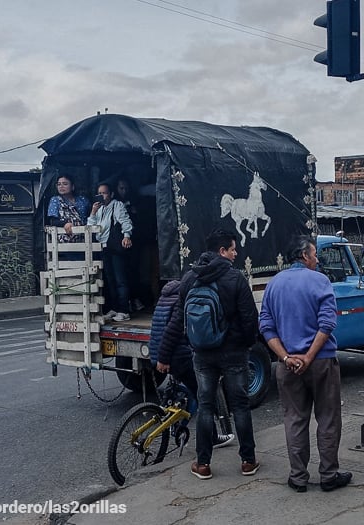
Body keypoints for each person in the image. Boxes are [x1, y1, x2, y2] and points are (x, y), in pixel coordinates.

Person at [160, 228, 259, 480]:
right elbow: (250, 321)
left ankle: (203, 464)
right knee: (240, 405)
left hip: (202, 354)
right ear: (222, 251)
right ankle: (248, 461)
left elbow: (177, 320)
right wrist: (245, 345)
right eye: (233, 249)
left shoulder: (190, 278)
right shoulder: (235, 279)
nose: (236, 253)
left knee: (205, 406)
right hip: (233, 353)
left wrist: (163, 354)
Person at [259, 235, 352, 493]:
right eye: (314, 255)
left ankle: (298, 477)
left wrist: (287, 357)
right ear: (304, 256)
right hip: (321, 362)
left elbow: (266, 326)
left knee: (294, 419)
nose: (317, 259)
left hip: (287, 365)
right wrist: (309, 357)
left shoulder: (274, 284)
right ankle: (328, 475)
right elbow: (327, 324)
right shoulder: (320, 281)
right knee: (328, 419)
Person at [151, 280, 234, 448]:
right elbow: (173, 331)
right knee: (203, 396)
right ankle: (211, 438)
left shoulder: (164, 297)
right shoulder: (180, 301)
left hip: (157, 352)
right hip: (175, 356)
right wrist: (164, 358)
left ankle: (176, 420)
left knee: (182, 389)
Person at [87, 182, 133, 322]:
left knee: (120, 280)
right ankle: (113, 308)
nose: (102, 196)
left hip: (115, 246)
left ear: (111, 194)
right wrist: (93, 212)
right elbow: (90, 227)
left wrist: (127, 236)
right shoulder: (99, 209)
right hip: (103, 246)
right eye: (99, 193)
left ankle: (124, 310)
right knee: (109, 279)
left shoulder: (117, 205)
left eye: (104, 193)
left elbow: (125, 221)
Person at [116, 178, 145, 312]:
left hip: (134, 243)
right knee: (121, 275)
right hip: (117, 245)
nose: (124, 191)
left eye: (126, 188)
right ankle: (123, 304)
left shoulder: (134, 203)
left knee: (134, 272)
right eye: (121, 188)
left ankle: (135, 299)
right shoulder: (114, 205)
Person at [46, 174, 91, 244]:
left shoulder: (83, 200)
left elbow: (90, 216)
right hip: (64, 240)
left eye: (65, 184)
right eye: (59, 184)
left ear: (72, 186)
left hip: (84, 238)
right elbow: (52, 220)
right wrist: (65, 224)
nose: (61, 187)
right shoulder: (55, 200)